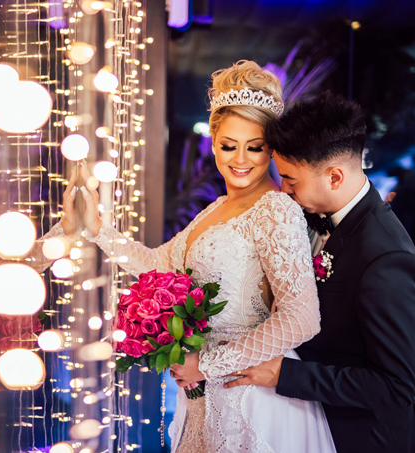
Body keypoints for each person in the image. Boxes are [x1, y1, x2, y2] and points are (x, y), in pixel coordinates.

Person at [69, 61, 336, 452]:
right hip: (202, 393)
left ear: (271, 149)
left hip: (252, 397)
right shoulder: (216, 208)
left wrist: (206, 365)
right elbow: (157, 265)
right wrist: (97, 229)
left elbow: (301, 318)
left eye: (255, 147)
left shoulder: (276, 209)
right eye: (228, 146)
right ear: (213, 143)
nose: (240, 159)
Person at [224, 92, 415, 452]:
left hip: (359, 439)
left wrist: (287, 374)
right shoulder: (310, 216)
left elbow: (398, 387)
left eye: (291, 181)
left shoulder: (384, 257)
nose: (284, 191)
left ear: (334, 177)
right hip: (304, 425)